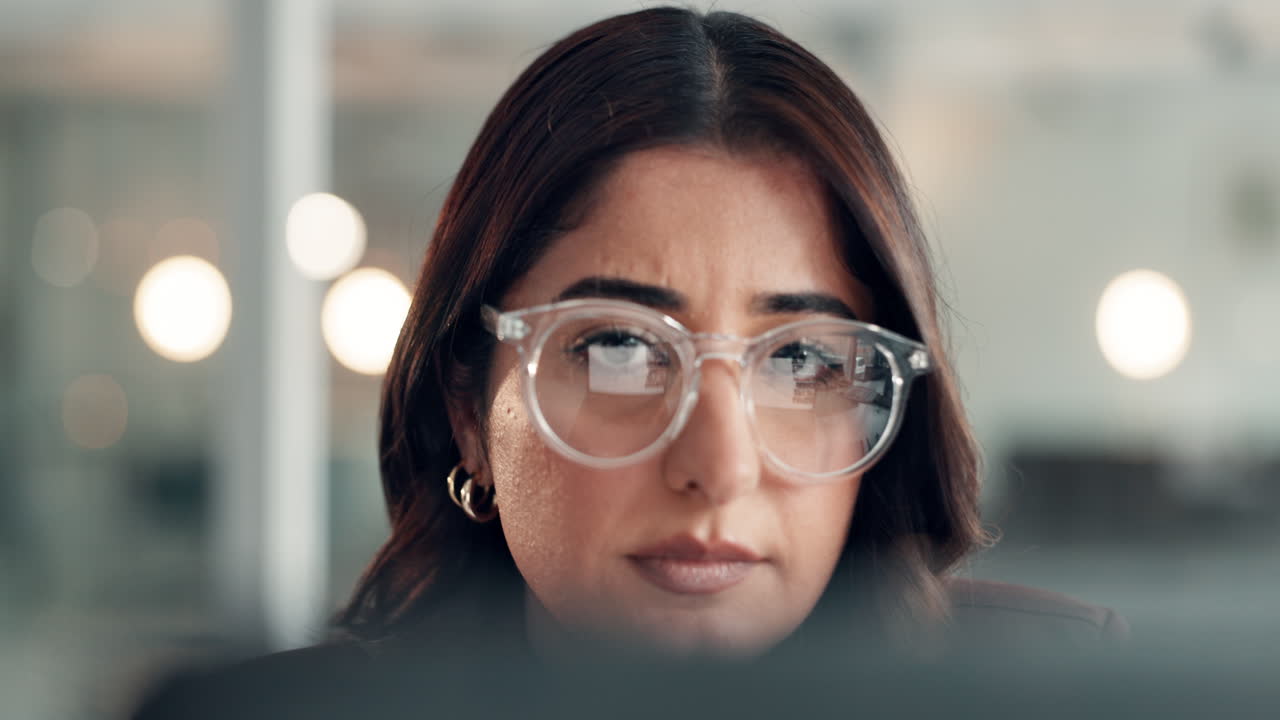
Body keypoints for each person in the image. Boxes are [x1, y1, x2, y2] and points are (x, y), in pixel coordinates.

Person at [132, 6, 1127, 718]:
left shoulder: (1071, 697)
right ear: (469, 413)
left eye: (800, 362)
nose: (718, 469)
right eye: (619, 349)